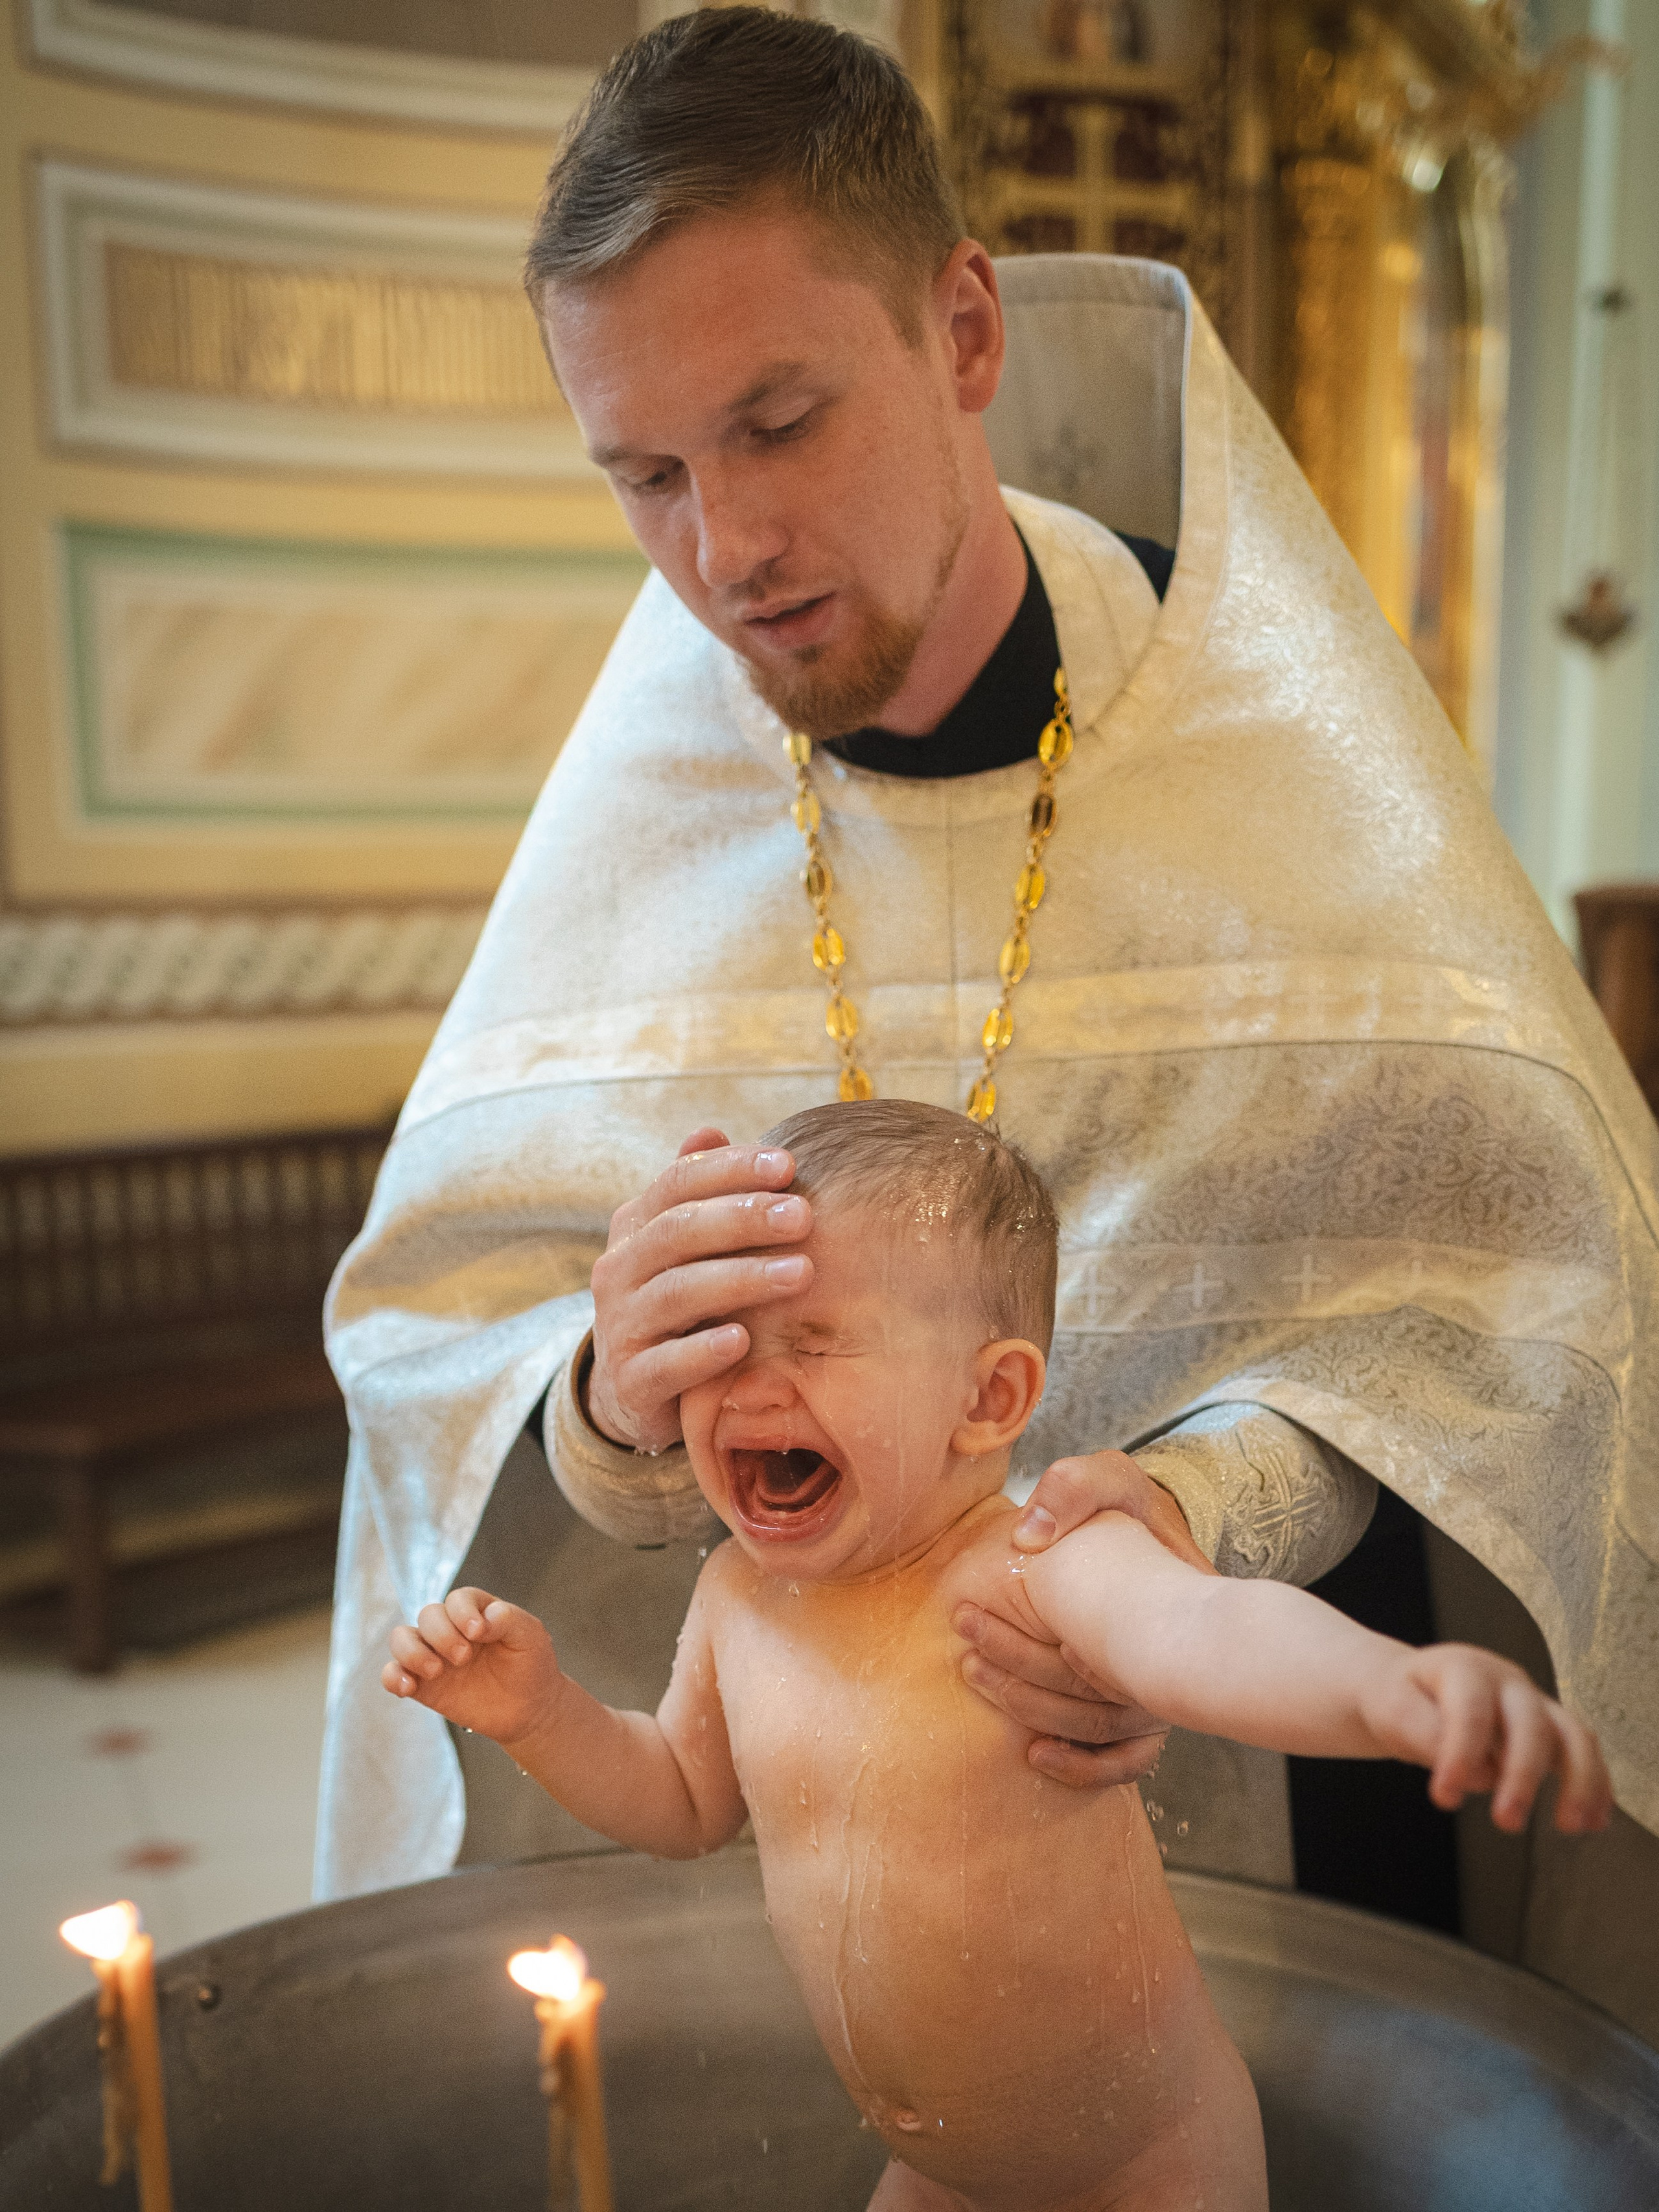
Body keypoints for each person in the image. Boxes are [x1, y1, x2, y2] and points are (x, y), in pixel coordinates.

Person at [318, 3, 1659, 1988]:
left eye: (779, 423)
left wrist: (1188, 1513)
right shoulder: (648, 804)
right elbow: (439, 1354)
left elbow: (1510, 1305)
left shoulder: (1270, 755)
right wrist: (608, 1395)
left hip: (1301, 1817)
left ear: (962, 331)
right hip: (836, 1871)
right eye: (647, 473)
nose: (725, 548)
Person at [382, 1103, 1612, 2212]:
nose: (750, 1387)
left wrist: (1388, 1688)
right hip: (940, 2176)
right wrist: (539, 1712)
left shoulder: (1034, 1564)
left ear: (988, 1400)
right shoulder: (736, 1598)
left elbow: (1206, 1632)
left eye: (815, 1341)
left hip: (1149, 2167)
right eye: (724, 1344)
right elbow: (682, 1800)